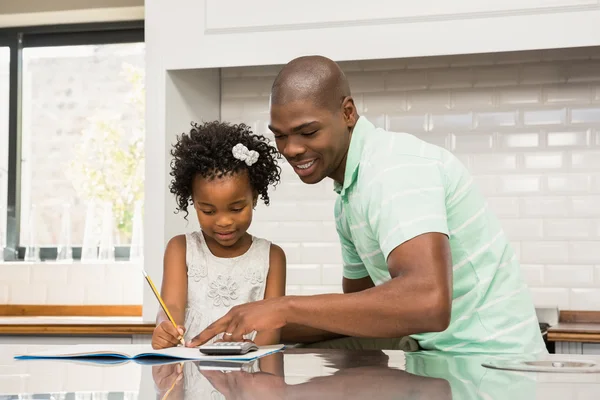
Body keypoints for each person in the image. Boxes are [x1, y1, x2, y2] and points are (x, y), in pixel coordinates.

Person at [186, 56, 546, 354]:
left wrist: (283, 308)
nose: (291, 148)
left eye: (308, 132)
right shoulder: (348, 198)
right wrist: (241, 323)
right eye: (280, 134)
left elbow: (428, 302)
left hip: (495, 368)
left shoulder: (394, 169)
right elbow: (364, 311)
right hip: (448, 363)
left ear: (347, 113)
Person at [151, 121, 286, 349]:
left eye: (236, 209)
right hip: (192, 374)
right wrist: (164, 326)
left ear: (254, 197)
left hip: (247, 376)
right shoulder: (181, 249)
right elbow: (171, 309)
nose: (224, 221)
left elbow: (271, 331)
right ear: (193, 202)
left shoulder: (272, 256)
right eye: (208, 211)